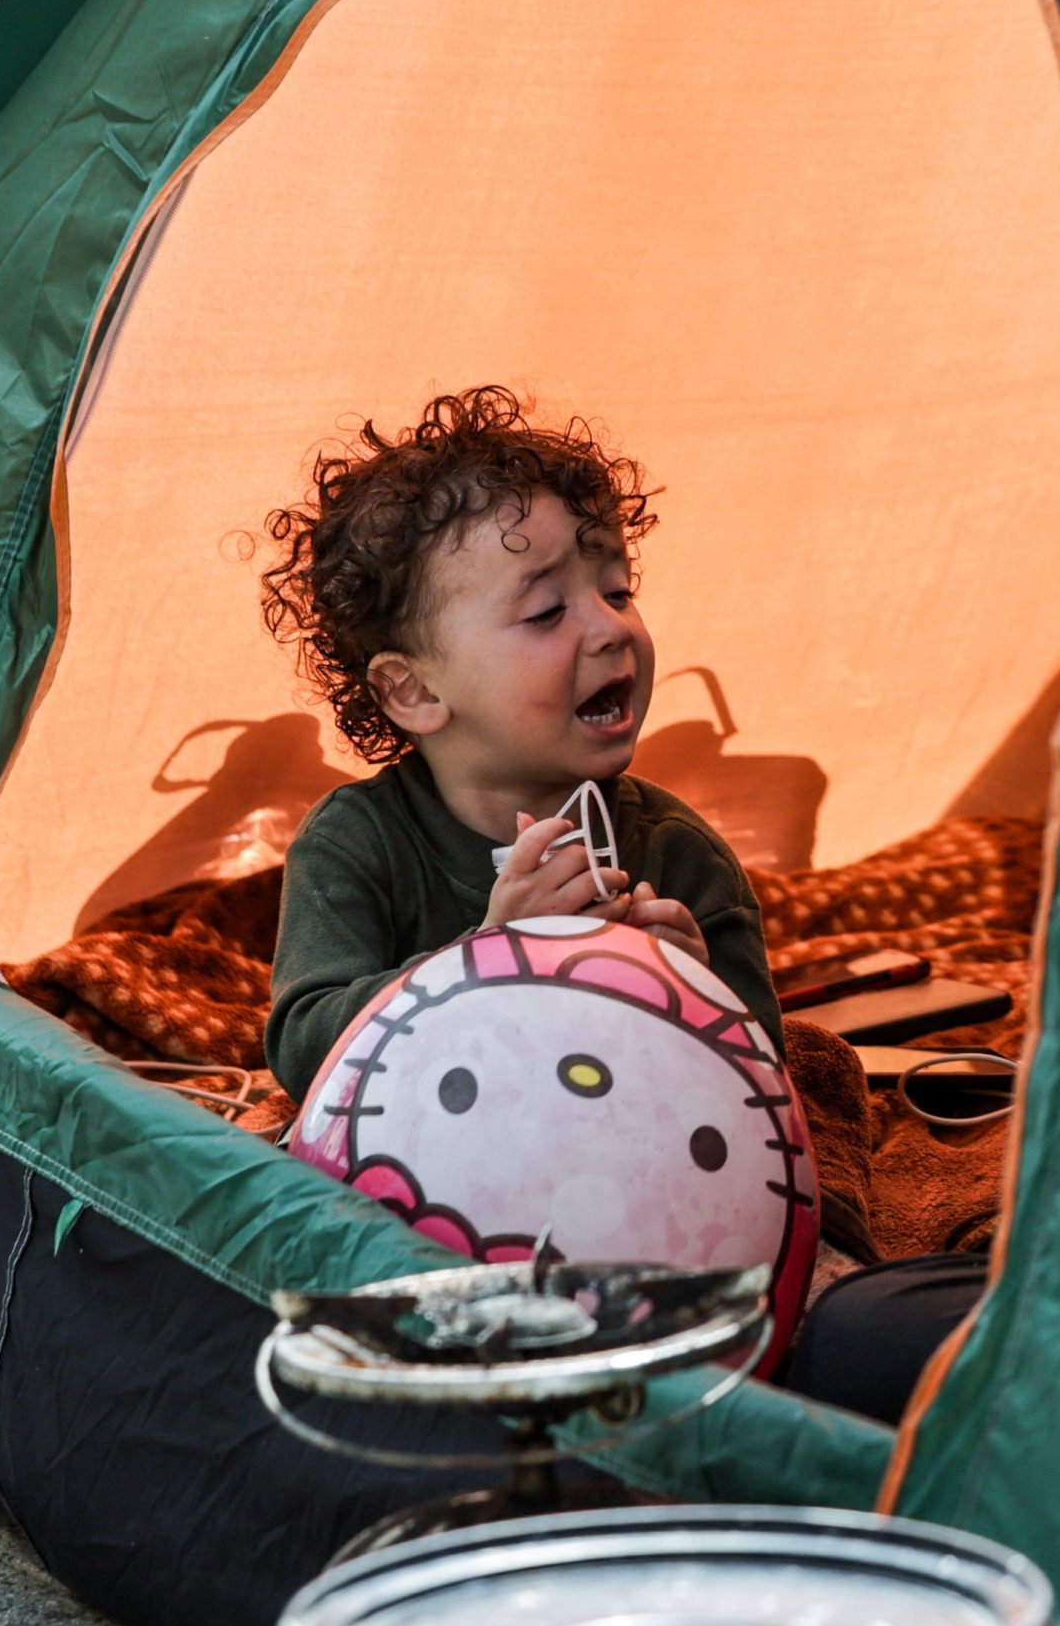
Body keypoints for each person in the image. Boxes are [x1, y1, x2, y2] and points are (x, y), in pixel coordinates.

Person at [258, 386, 780, 1103]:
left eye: (618, 591)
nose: (610, 629)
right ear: (414, 692)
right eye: (545, 611)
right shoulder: (356, 844)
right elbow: (306, 1049)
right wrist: (490, 958)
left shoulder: (677, 855)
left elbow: (762, 1086)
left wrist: (691, 997)